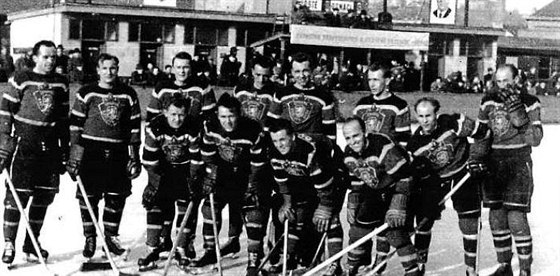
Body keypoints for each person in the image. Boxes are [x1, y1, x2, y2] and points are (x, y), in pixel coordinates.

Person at [66, 53, 142, 259]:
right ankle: (90, 237)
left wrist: (134, 155)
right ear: (98, 70)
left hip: (118, 152)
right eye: (105, 68)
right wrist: (75, 152)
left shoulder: (128, 93)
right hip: (91, 152)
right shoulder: (86, 92)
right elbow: (75, 124)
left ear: (118, 70)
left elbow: (135, 126)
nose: (110, 72)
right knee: (89, 197)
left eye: (113, 68)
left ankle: (110, 237)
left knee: (116, 197)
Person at [0, 40, 69, 265]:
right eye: (45, 56)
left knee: (44, 196)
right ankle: (9, 243)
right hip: (24, 145)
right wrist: (4, 143)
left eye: (53, 57)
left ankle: (31, 243)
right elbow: (5, 112)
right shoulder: (21, 78)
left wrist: (65, 149)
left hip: (49, 147)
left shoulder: (61, 82)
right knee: (17, 196)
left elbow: (62, 119)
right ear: (35, 57)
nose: (50, 61)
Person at [406, 97, 489, 275]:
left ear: (436, 113)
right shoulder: (415, 144)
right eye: (420, 116)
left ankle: (470, 268)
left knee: (469, 222)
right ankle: (420, 264)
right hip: (437, 180)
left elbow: (484, 133)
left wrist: (476, 158)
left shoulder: (453, 122)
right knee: (423, 220)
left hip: (463, 173)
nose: (425, 120)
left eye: (428, 115)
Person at [477, 64, 543, 276]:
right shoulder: (488, 100)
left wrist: (521, 119)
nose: (502, 86)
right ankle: (504, 266)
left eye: (507, 81)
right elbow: (482, 135)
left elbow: (536, 139)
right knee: (496, 216)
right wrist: (476, 157)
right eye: (499, 81)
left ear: (517, 80)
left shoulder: (530, 101)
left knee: (516, 216)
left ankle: (525, 269)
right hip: (494, 163)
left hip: (517, 161)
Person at [190, 94, 265, 275]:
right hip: (222, 176)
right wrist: (211, 176)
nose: (228, 121)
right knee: (209, 208)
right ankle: (210, 250)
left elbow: (258, 162)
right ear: (217, 115)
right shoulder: (210, 126)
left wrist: (252, 184)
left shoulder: (253, 129)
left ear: (238, 114)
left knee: (253, 212)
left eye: (231, 116)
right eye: (223, 117)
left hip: (245, 175)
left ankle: (254, 257)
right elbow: (207, 154)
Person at [341, 117, 420, 276]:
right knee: (358, 230)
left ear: (364, 133)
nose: (353, 141)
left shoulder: (382, 146)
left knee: (395, 232)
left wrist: (399, 202)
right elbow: (358, 179)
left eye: (356, 136)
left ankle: (413, 271)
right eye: (348, 138)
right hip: (377, 190)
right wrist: (354, 198)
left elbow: (405, 176)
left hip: (402, 186)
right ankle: (351, 268)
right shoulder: (349, 153)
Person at [268, 119, 345, 275]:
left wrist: (325, 207)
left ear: (293, 137)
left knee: (329, 220)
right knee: (297, 214)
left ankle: (335, 265)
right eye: (275, 140)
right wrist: (287, 204)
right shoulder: (274, 151)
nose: (279, 144)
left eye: (282, 139)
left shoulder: (310, 152)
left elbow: (325, 186)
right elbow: (282, 182)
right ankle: (289, 258)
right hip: (305, 178)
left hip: (334, 174)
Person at [138, 93, 203, 270]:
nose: (177, 119)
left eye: (181, 114)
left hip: (185, 170)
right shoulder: (155, 127)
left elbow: (197, 158)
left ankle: (181, 247)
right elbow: (149, 159)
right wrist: (154, 182)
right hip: (163, 170)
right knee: (155, 204)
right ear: (165, 112)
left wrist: (193, 179)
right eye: (173, 114)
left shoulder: (193, 127)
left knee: (186, 205)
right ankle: (153, 247)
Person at [267, 52, 337, 143]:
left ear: (312, 70)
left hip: (312, 147)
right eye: (297, 71)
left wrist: (330, 149)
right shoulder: (282, 93)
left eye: (305, 70)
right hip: (287, 146)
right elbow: (271, 123)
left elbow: (330, 130)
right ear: (292, 72)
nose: (301, 75)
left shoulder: (324, 96)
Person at [146, 51, 216, 124]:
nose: (181, 71)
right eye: (178, 67)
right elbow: (151, 118)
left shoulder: (202, 87)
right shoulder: (161, 88)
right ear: (173, 69)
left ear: (191, 68)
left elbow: (210, 119)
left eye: (185, 67)